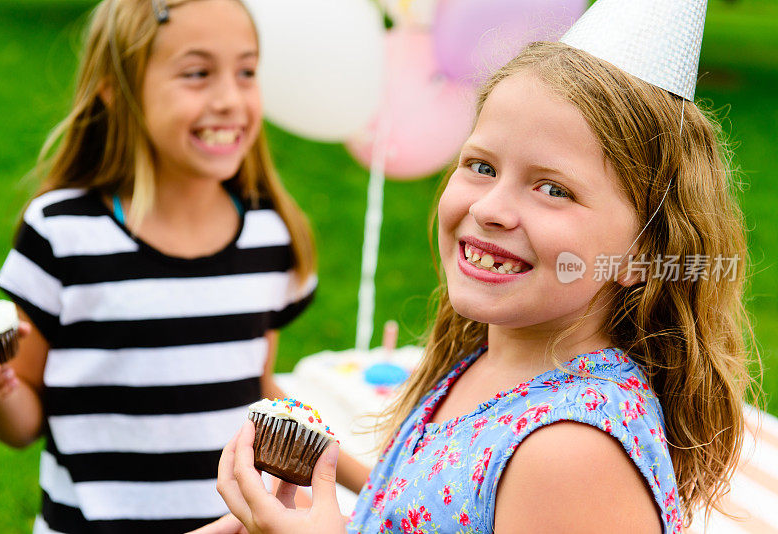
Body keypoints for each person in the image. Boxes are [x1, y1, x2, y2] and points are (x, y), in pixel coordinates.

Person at [213, 3, 757, 534]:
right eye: (481, 166)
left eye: (553, 189)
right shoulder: (490, 359)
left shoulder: (569, 455)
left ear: (643, 254)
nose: (490, 208)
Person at [0, 0, 368, 532]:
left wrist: (374, 480)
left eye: (246, 71)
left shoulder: (268, 234)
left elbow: (251, 386)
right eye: (197, 73)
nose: (230, 99)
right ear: (118, 91)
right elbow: (23, 425)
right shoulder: (61, 234)